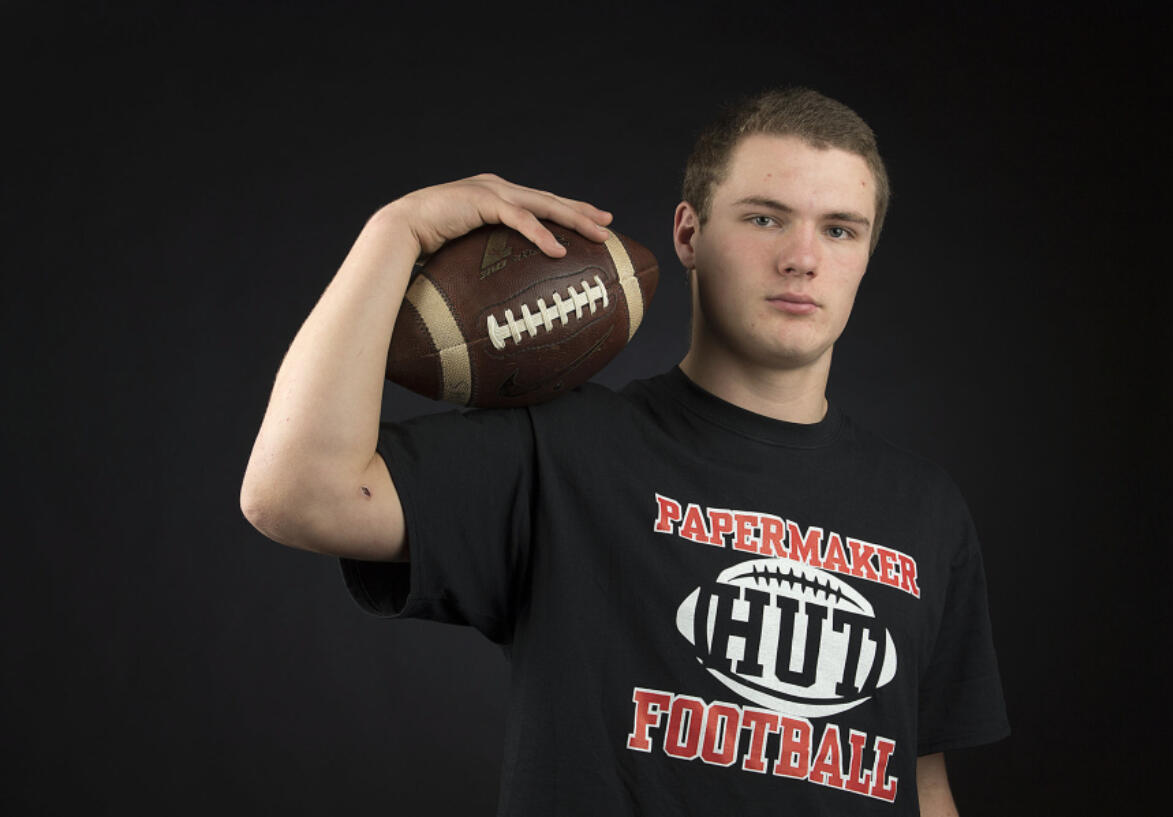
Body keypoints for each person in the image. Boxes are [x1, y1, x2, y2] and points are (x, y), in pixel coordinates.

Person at [241, 87, 1009, 816]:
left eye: (840, 228)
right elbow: (296, 490)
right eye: (766, 219)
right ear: (688, 234)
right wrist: (396, 230)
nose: (803, 258)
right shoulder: (567, 448)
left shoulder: (925, 508)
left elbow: (919, 786)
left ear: (866, 253)